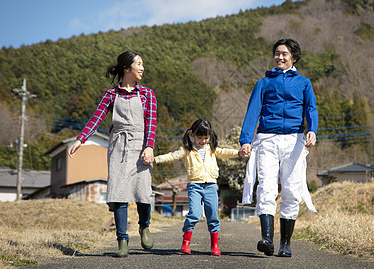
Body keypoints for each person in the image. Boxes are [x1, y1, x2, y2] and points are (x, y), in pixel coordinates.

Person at [67, 51, 157, 258]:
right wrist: (80, 139)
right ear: (127, 68)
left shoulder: (147, 94)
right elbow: (96, 119)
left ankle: (144, 226)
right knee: (118, 193)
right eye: (139, 64)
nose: (142, 68)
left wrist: (149, 147)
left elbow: (151, 124)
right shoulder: (110, 95)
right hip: (117, 146)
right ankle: (122, 241)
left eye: (143, 64)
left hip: (141, 145)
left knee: (143, 191)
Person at [239, 38, 318, 257]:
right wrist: (245, 140)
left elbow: (311, 109)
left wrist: (312, 129)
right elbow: (252, 112)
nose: (279, 57)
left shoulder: (303, 83)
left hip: (294, 140)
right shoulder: (263, 83)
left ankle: (285, 243)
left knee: (292, 190)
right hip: (267, 140)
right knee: (266, 188)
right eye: (276, 53)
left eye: (284, 53)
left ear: (293, 57)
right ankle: (266, 239)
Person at [154, 119, 243, 256]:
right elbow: (172, 156)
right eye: (199, 137)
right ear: (192, 135)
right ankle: (186, 243)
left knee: (212, 215)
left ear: (210, 136)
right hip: (194, 186)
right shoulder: (187, 150)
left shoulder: (212, 149)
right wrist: (155, 159)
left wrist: (238, 153)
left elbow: (225, 152)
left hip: (211, 186)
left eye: (206, 137)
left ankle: (215, 245)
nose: (203, 141)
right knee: (194, 214)